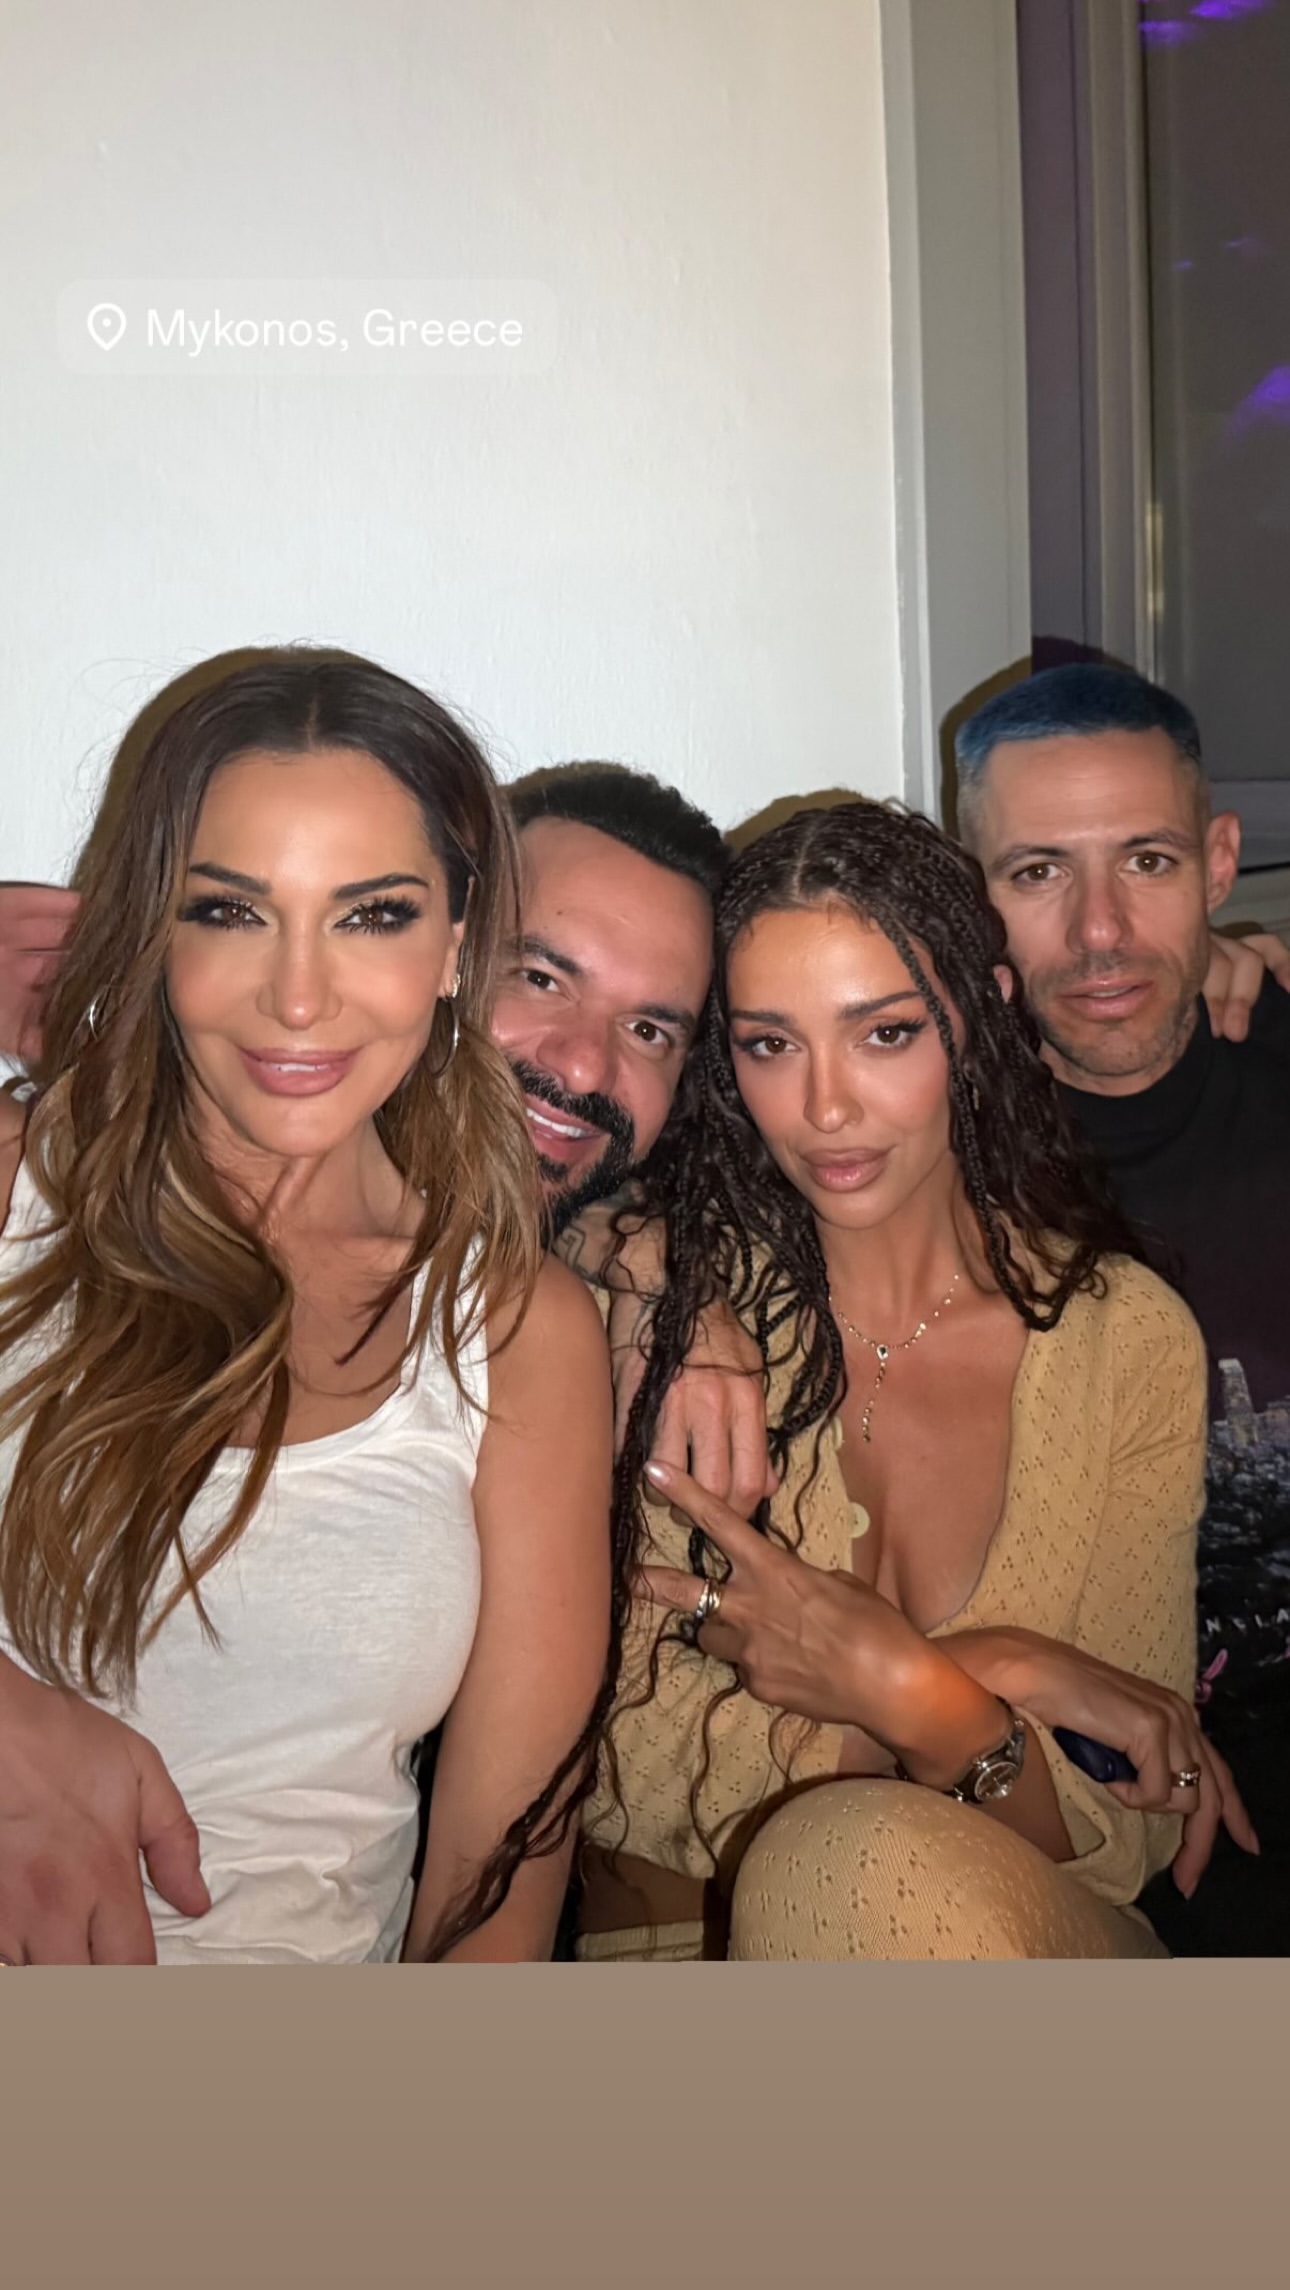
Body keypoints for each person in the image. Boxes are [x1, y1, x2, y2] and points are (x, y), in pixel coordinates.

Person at [0, 647, 614, 1964]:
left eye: (372, 915)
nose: (296, 995)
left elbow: (498, 1880)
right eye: (230, 911)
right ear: (156, 933)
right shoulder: (15, 1195)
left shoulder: (519, 1332)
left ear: (456, 950)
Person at [578, 797, 1255, 1960]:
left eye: (885, 1032)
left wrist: (908, 1690)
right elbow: (610, 1765)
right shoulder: (663, 1324)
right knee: (845, 1860)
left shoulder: (1123, 1340)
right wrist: (975, 1685)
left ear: (979, 1017)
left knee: (858, 1857)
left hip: (1031, 1944)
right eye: (770, 1043)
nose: (826, 1105)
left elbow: (1129, 1827)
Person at [954, 662, 1290, 1955]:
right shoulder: (907, 1134)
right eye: (1038, 871)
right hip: (1104, 1790)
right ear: (969, 892)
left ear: (1218, 863)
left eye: (1146, 861)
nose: (1099, 931)